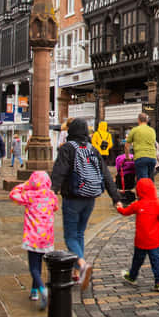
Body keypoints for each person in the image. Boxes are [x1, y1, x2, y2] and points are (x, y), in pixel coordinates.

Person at [51, 118, 122, 290]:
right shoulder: (93, 149)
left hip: (73, 197)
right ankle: (76, 273)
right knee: (80, 233)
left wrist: (51, 192)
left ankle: (82, 264)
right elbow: (106, 175)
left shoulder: (68, 148)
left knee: (70, 236)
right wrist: (116, 198)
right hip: (90, 197)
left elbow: (59, 172)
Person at [9, 171, 59, 310]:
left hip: (33, 238)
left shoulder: (29, 196)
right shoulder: (52, 196)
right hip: (47, 238)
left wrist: (25, 185)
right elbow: (55, 208)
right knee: (39, 265)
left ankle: (43, 290)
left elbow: (13, 194)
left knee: (33, 268)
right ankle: (34, 292)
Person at [117, 178, 159, 292]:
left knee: (137, 260)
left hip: (141, 240)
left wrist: (119, 208)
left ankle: (132, 276)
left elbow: (126, 212)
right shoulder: (158, 205)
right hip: (153, 240)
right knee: (156, 261)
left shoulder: (138, 204)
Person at [125, 113, 157, 181]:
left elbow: (126, 146)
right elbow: (154, 144)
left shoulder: (135, 130)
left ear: (138, 120)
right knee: (150, 179)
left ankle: (143, 191)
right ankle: (151, 191)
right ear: (147, 120)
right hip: (152, 158)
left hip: (141, 157)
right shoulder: (152, 130)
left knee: (143, 180)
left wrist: (127, 157)